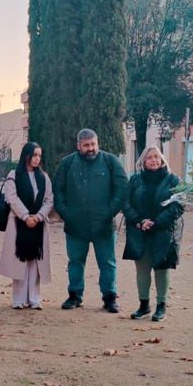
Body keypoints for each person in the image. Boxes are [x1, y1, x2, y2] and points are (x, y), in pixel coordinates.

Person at [53, 129, 128, 313]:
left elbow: (122, 188)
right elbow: (58, 191)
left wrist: (110, 211)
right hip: (75, 225)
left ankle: (109, 297)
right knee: (75, 261)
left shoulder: (110, 162)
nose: (91, 148)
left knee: (107, 262)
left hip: (103, 224)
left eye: (93, 144)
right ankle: (75, 295)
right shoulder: (67, 164)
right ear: (78, 145)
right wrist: (66, 213)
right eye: (86, 145)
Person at [122, 147, 183, 321]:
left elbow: (178, 205)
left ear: (162, 159)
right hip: (139, 230)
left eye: (156, 157)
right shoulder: (134, 180)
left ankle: (161, 306)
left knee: (161, 268)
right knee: (142, 268)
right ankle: (143, 305)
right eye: (149, 157)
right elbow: (126, 203)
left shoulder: (172, 180)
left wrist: (157, 222)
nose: (153, 160)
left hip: (163, 231)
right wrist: (139, 221)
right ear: (143, 161)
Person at [0, 142, 53, 309]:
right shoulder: (14, 175)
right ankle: (18, 299)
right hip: (18, 223)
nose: (37, 159)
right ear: (26, 156)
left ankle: (34, 298)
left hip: (38, 224)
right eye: (34, 155)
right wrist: (25, 216)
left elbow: (49, 199)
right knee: (19, 262)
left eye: (39, 156)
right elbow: (12, 198)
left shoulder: (43, 177)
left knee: (35, 263)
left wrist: (39, 216)